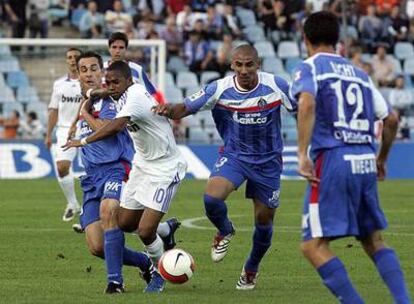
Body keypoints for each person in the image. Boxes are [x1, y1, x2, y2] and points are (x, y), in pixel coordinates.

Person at [152, 44, 297, 290]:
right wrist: (169, 110)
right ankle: (224, 230)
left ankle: (251, 269)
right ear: (232, 65)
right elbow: (185, 108)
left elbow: (302, 110)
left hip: (268, 162)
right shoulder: (219, 88)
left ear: (258, 64)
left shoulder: (276, 85)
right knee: (211, 198)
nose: (244, 70)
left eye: (249, 64)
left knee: (263, 223)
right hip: (235, 157)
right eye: (238, 65)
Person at [290, 11, 411, 304]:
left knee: (313, 245)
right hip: (365, 160)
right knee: (372, 239)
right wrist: (382, 159)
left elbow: (306, 103)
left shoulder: (309, 68)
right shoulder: (360, 73)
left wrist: (302, 154)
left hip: (332, 161)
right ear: (337, 41)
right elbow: (392, 120)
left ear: (304, 38)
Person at [63, 61, 187, 293]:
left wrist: (81, 139)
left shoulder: (135, 95)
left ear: (129, 81)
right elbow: (100, 91)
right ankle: (165, 232)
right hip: (139, 165)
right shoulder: (112, 93)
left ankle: (156, 274)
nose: (110, 86)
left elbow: (114, 126)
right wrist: (90, 95)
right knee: (122, 224)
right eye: (107, 82)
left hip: (163, 168)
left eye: (115, 82)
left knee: (143, 230)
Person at [45, 48, 82, 222]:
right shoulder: (59, 84)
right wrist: (48, 134)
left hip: (88, 128)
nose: (72, 60)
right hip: (64, 129)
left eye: (75, 57)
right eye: (69, 57)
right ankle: (73, 203)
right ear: (66, 61)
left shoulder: (89, 82)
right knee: (61, 168)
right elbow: (53, 109)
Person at [104, 31, 165, 104]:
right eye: (114, 47)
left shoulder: (137, 69)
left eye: (121, 48)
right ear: (109, 49)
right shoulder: (101, 69)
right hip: (106, 113)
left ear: (126, 49)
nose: (117, 51)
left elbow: (151, 93)